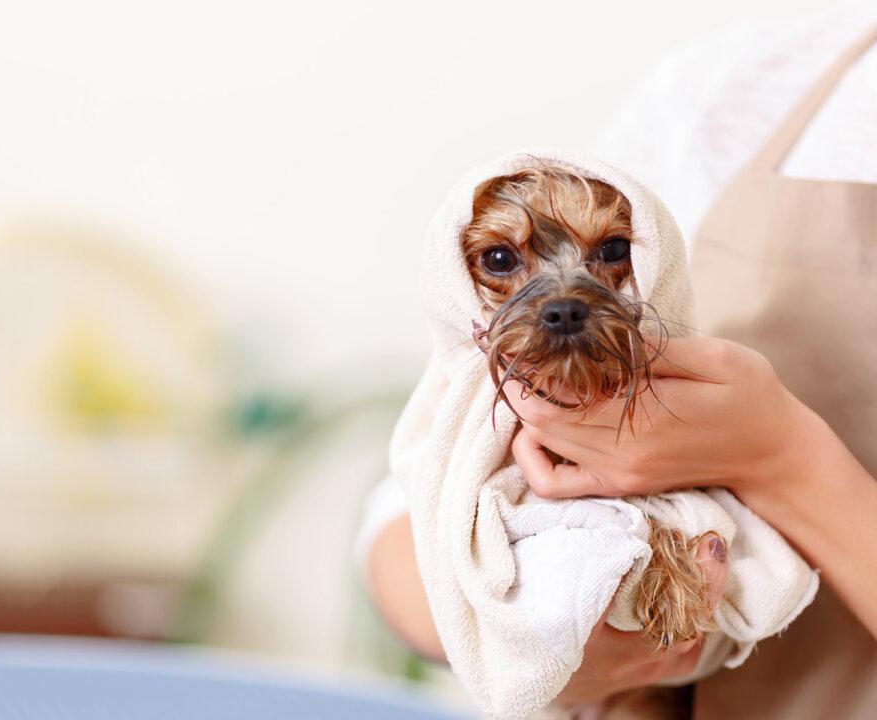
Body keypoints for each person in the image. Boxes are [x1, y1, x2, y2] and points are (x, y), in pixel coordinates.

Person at [360, 3, 877, 717]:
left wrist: (782, 462)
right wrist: (511, 649)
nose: (564, 300)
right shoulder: (731, 85)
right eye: (504, 261)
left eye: (611, 253)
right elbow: (401, 517)